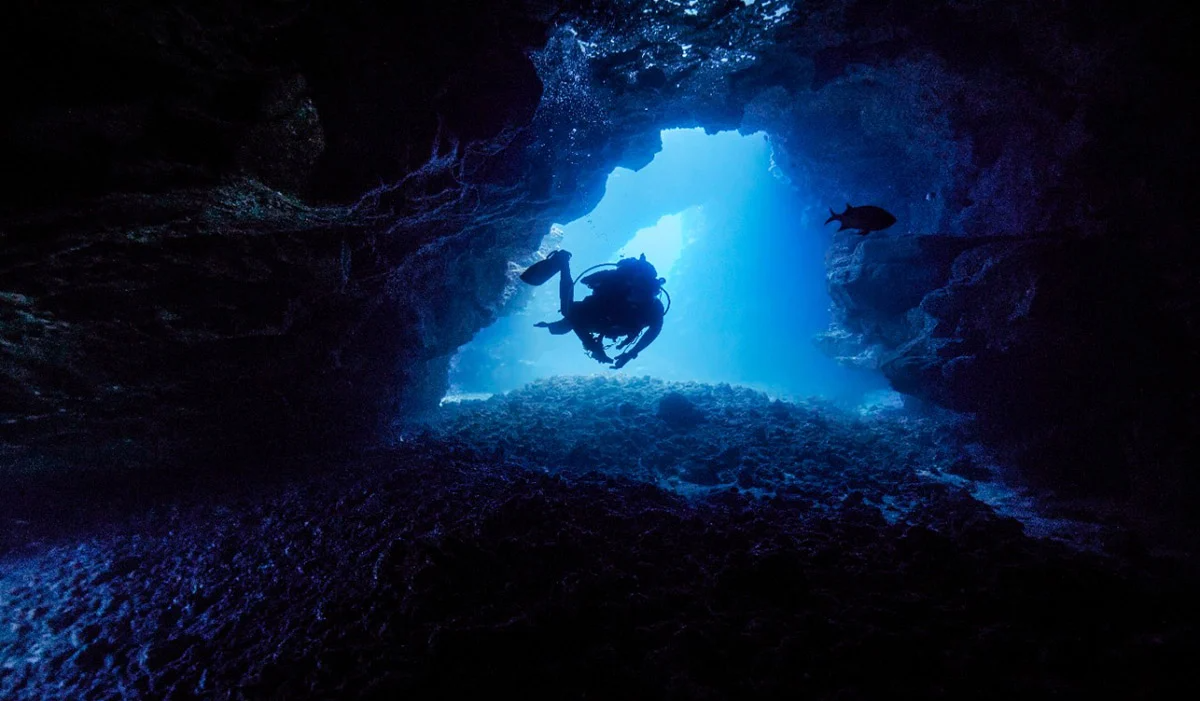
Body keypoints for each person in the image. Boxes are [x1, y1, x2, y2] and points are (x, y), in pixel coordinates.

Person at [519, 250, 666, 369]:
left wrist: (631, 354)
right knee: (567, 315)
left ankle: (563, 262)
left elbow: (654, 331)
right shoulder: (616, 286)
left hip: (610, 324)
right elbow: (585, 285)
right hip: (597, 314)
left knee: (567, 321)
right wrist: (594, 347)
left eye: (644, 293)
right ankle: (563, 263)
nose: (637, 295)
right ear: (631, 285)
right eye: (636, 289)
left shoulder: (654, 307)